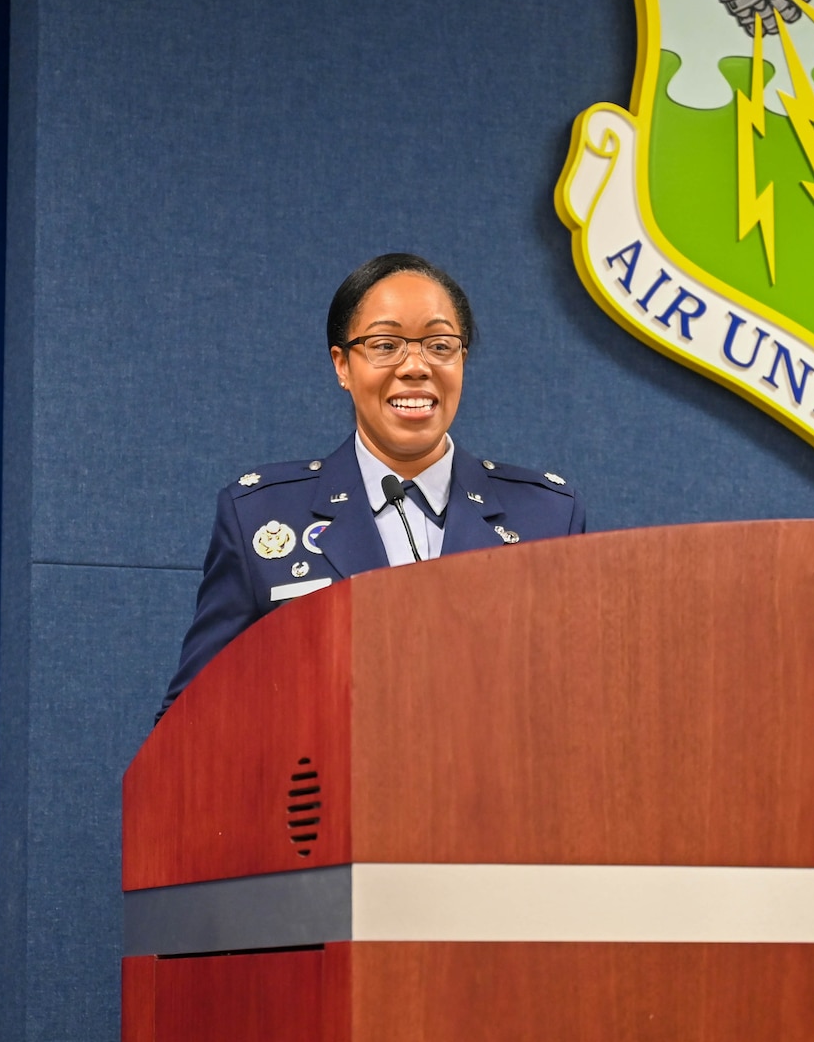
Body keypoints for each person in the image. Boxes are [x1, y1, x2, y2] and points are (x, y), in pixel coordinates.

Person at [158, 253, 585, 719]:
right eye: (385, 345)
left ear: (462, 360)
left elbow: (583, 703)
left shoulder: (548, 516)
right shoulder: (259, 516)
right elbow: (188, 724)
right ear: (342, 365)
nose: (415, 366)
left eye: (440, 345)